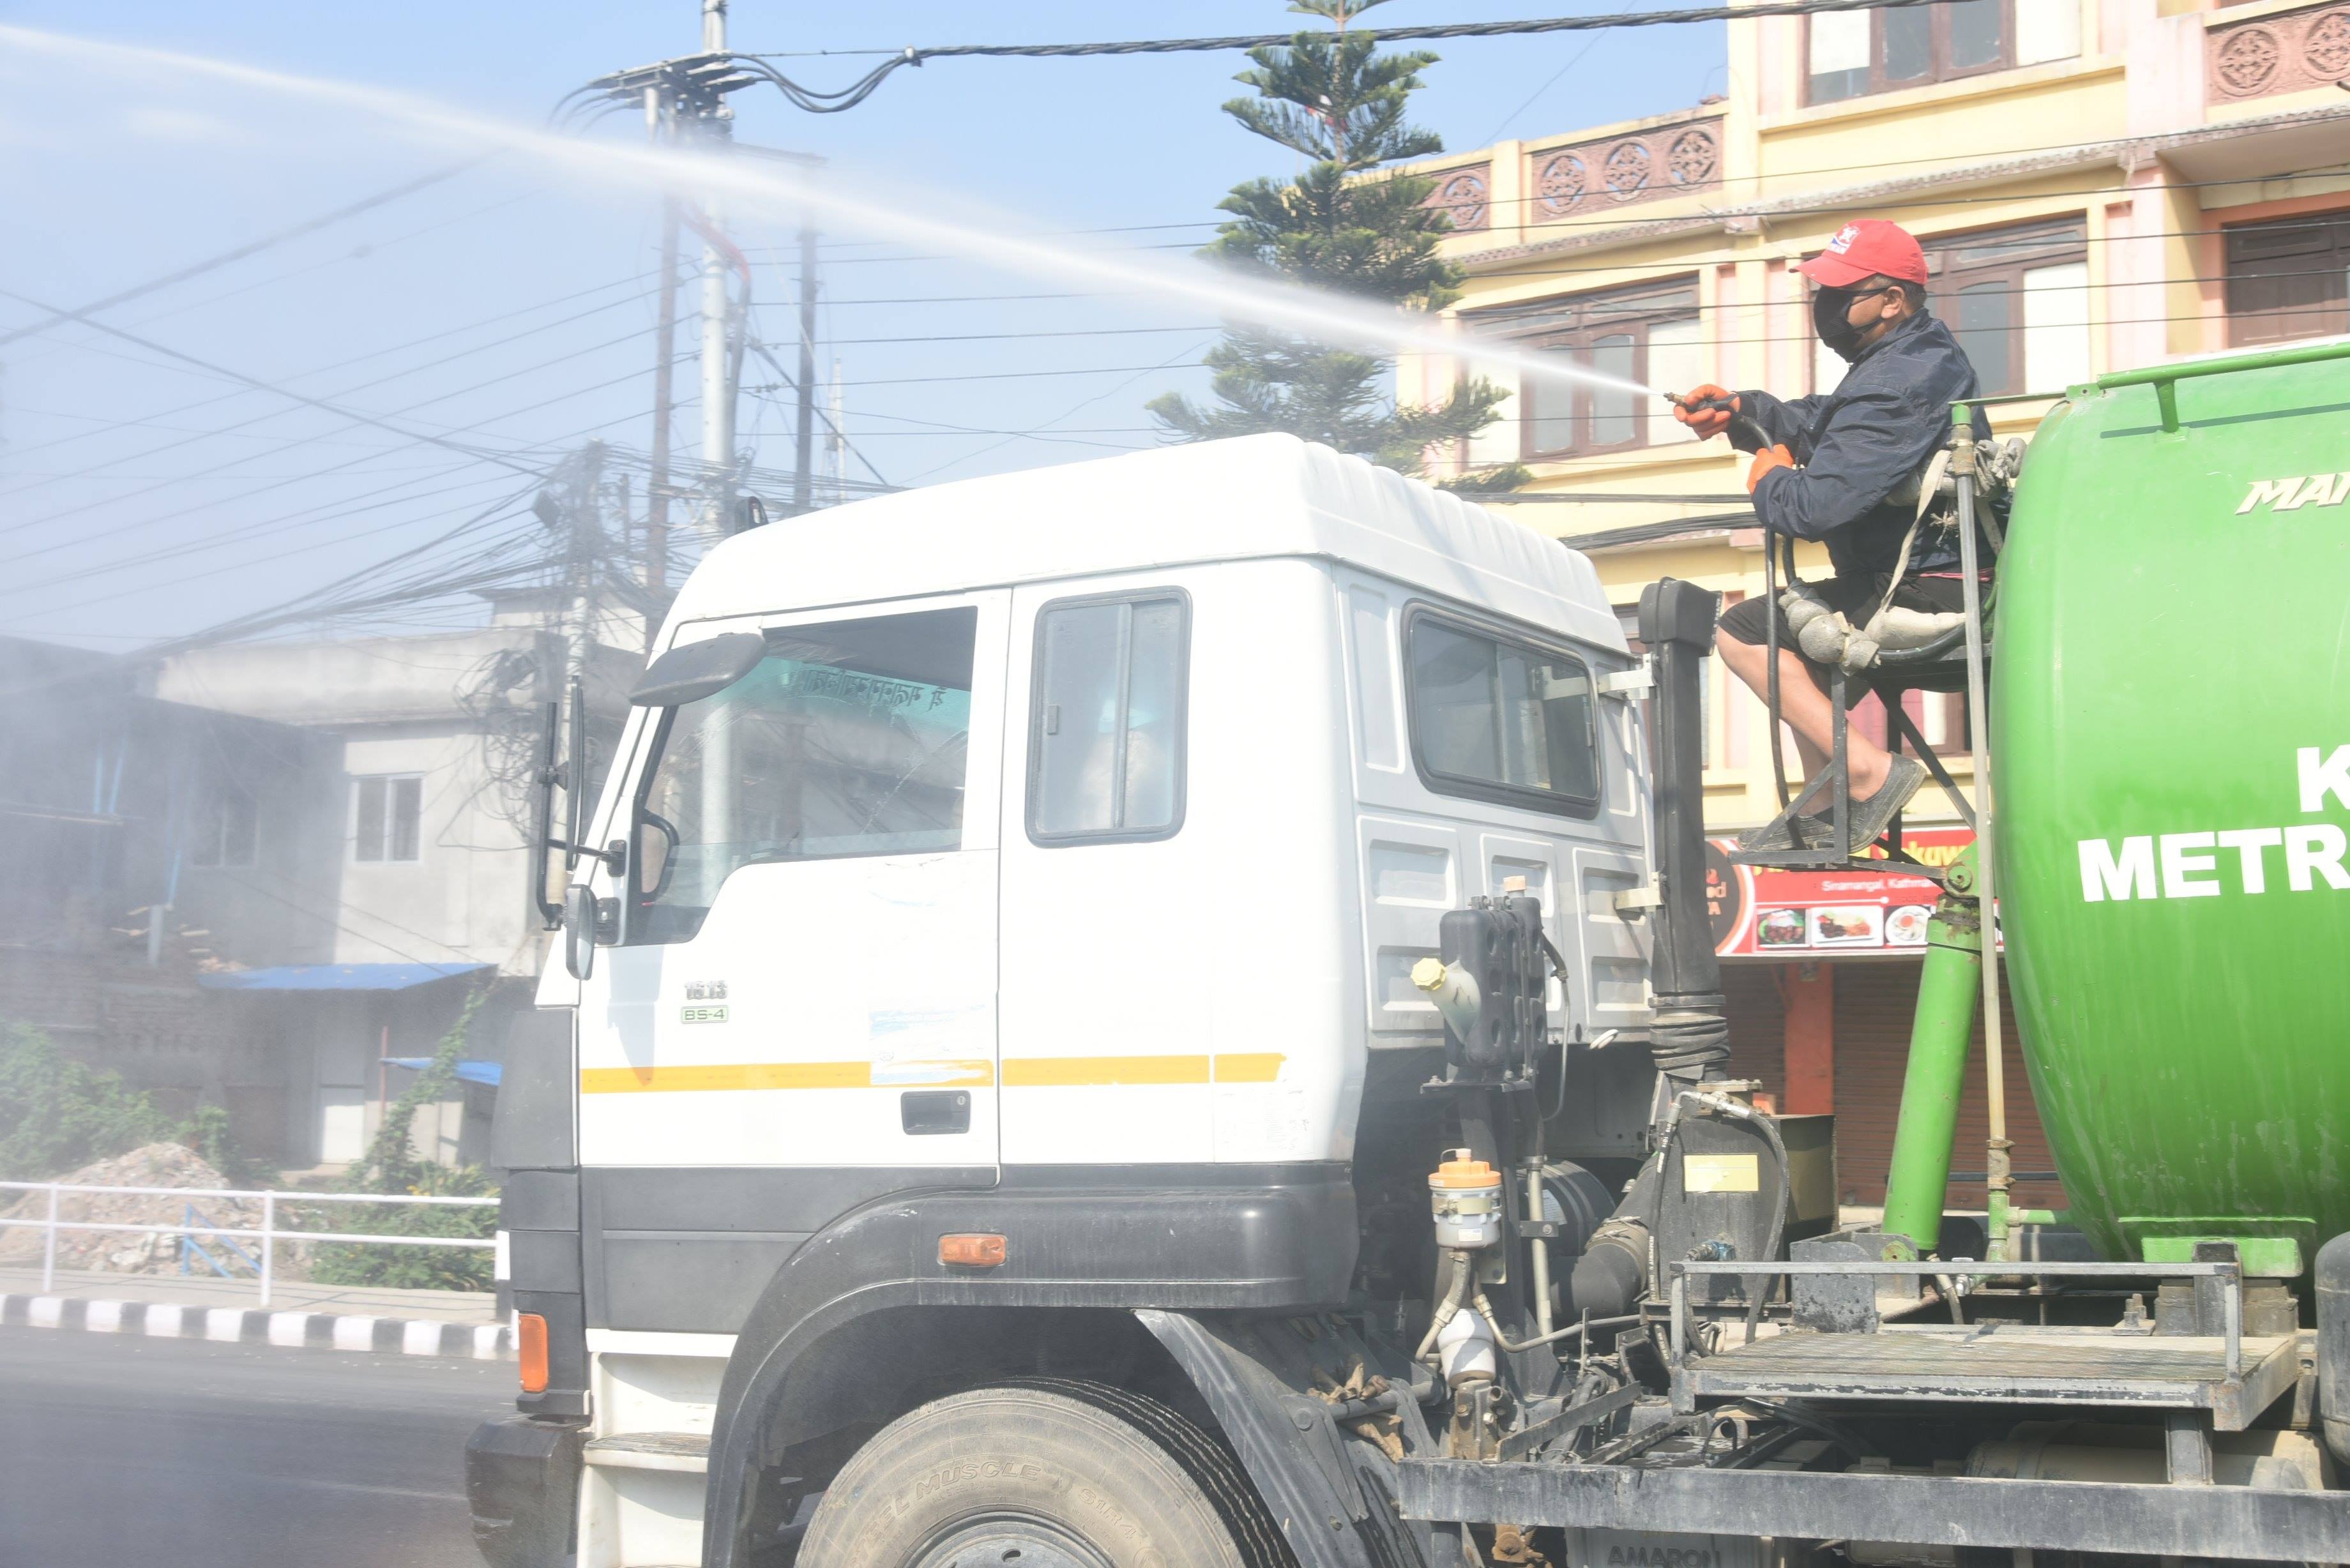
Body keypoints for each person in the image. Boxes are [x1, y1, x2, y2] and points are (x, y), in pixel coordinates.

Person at [1670, 218, 1991, 851]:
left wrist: (1768, 480)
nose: (1827, 306)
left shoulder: (1898, 382)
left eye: (1842, 292)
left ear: (1891, 300)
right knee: (1793, 653)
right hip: (1918, 577)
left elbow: (1811, 508)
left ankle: (1865, 772)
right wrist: (1744, 413)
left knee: (1745, 635)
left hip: (1926, 589)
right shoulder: (1907, 360)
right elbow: (1821, 422)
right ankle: (1828, 788)